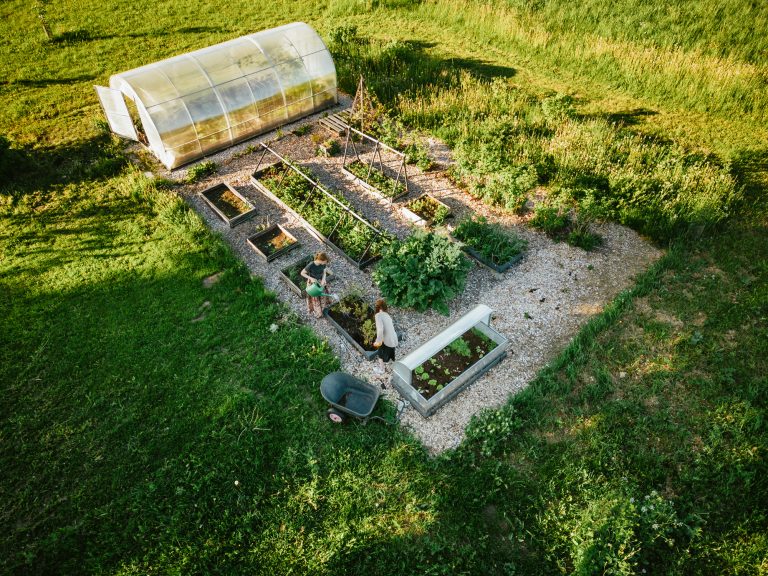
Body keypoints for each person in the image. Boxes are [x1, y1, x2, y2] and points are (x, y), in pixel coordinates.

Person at [301, 251, 333, 318]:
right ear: (321, 260)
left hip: (320, 281)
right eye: (325, 261)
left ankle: (323, 306)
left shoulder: (323, 264)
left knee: (323, 294)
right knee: (315, 296)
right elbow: (302, 273)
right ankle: (318, 311)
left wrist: (323, 280)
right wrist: (311, 278)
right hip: (313, 283)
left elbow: (324, 273)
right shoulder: (311, 265)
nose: (326, 263)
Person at [373, 298, 398, 374]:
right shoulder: (387, 315)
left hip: (387, 340)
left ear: (378, 307)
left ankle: (382, 370)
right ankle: (393, 364)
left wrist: (378, 341)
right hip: (393, 338)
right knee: (389, 351)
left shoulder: (378, 315)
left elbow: (380, 330)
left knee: (380, 353)